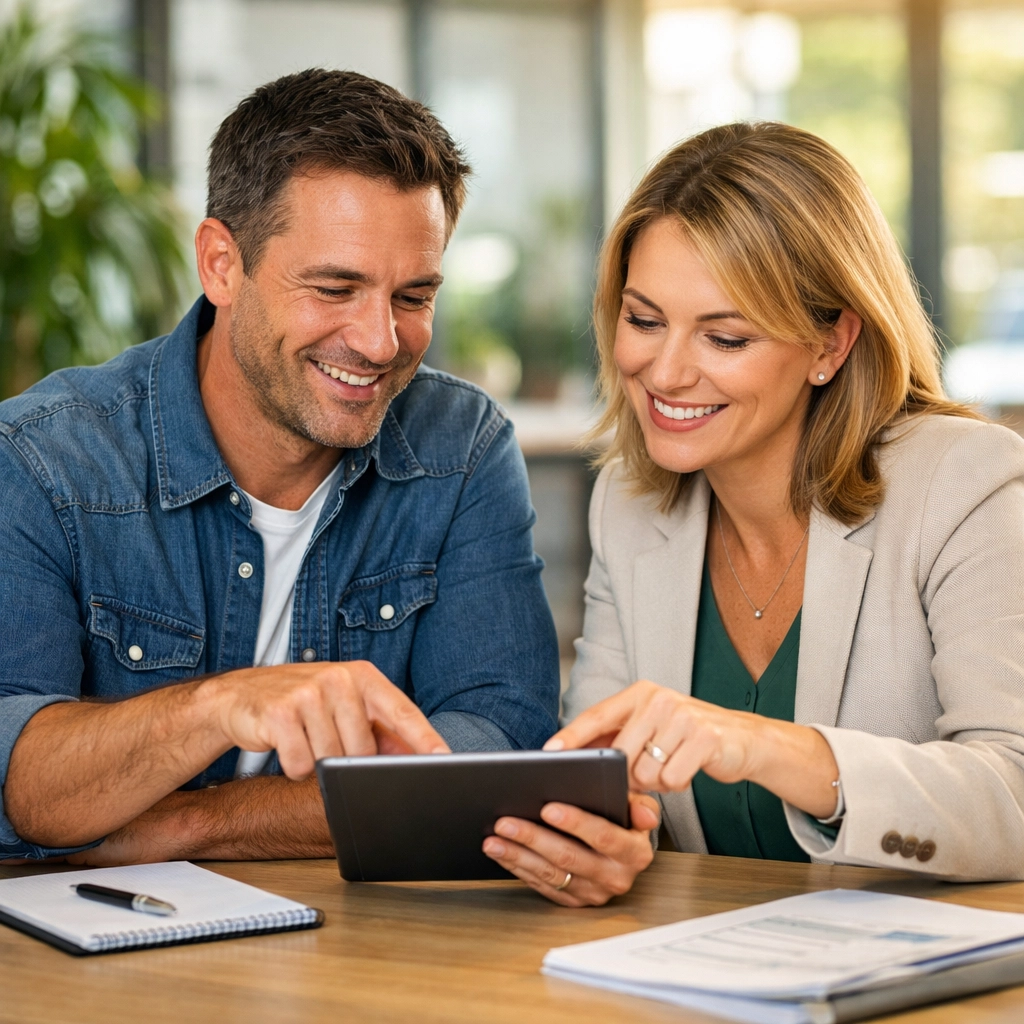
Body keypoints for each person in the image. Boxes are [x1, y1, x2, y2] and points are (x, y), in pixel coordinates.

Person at [0, 69, 559, 865]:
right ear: (222, 264)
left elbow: (498, 755)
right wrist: (220, 708)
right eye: (336, 288)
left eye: (414, 295)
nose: (379, 341)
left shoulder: (461, 449)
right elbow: (17, 782)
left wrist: (198, 824)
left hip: (364, 951)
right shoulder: (43, 461)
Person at [481, 121, 1024, 904]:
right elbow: (604, 785)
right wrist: (601, 844)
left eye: (725, 337)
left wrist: (767, 748)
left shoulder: (963, 483)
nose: (665, 371)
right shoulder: (631, 507)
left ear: (830, 344)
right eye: (643, 320)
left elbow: (1012, 790)